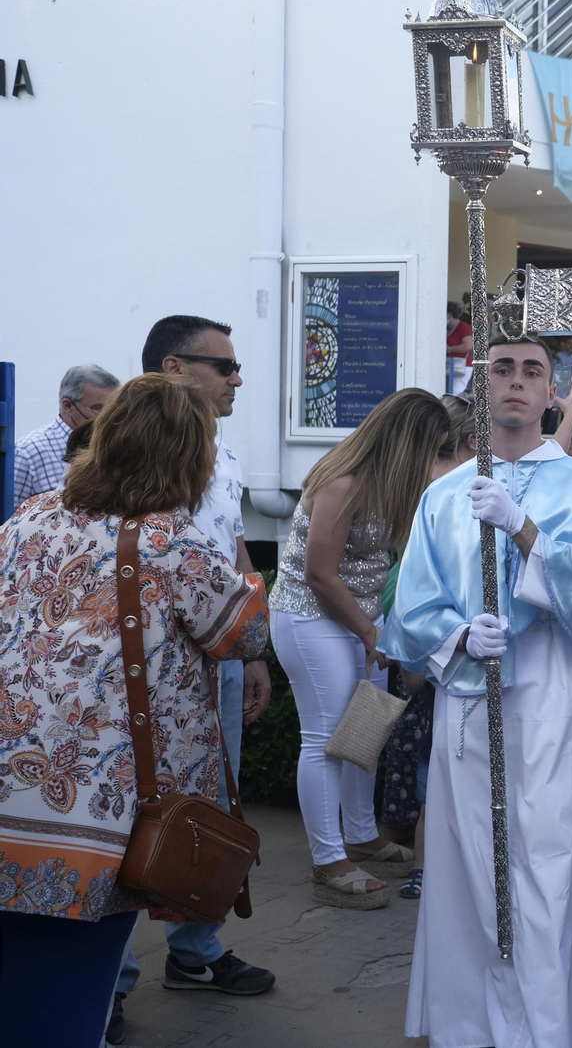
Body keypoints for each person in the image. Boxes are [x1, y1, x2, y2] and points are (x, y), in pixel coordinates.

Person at [380, 334, 572, 1048]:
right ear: (480, 385)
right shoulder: (443, 495)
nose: (517, 384)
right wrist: (459, 638)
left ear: (555, 392)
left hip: (553, 695)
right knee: (468, 860)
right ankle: (467, 1026)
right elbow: (410, 609)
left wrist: (524, 530)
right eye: (502, 369)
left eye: (533, 372)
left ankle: (540, 1028)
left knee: (544, 858)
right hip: (471, 697)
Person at [0, 373, 269, 1048]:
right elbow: (243, 636)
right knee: (66, 996)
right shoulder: (172, 541)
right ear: (191, 457)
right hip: (99, 811)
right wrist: (257, 579)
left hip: (9, 788)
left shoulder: (29, 516)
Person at [114, 315, 275, 1016]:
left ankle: (196, 953)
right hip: (137, 672)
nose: (238, 379)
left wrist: (255, 655)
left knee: (208, 811)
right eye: (225, 366)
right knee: (124, 821)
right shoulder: (124, 446)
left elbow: (233, 551)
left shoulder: (225, 456)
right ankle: (106, 987)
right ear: (175, 368)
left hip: (219, 660)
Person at [268, 389, 450, 907]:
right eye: (432, 449)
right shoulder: (342, 483)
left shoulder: (386, 483)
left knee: (365, 729)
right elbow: (319, 575)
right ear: (405, 442)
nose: (434, 460)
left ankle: (363, 835)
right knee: (326, 738)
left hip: (357, 618)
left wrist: (377, 626)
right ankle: (329, 861)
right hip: (310, 618)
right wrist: (373, 634)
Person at [380, 411, 476, 903]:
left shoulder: (443, 490)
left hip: (442, 664)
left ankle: (433, 867)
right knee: (433, 779)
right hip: (438, 667)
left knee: (435, 777)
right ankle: (426, 866)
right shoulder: (443, 496)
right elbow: (408, 596)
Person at [12, 363, 119, 501]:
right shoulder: (28, 452)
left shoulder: (115, 445)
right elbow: (10, 518)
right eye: (98, 409)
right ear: (67, 405)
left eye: (112, 409)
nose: (107, 417)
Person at [445, 300, 473, 396]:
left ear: (449, 315)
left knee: (455, 393)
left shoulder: (463, 327)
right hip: (449, 365)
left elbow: (468, 346)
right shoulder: (446, 329)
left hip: (462, 366)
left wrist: (449, 349)